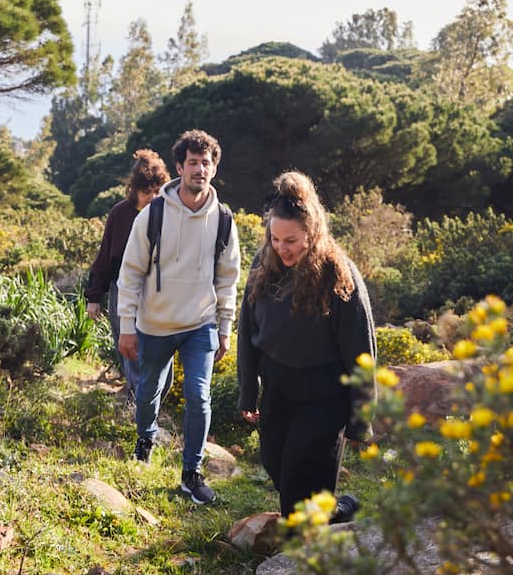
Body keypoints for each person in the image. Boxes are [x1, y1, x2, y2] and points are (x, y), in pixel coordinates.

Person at [237, 171, 376, 523]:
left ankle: (305, 545)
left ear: (312, 235)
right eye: (275, 239)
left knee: (298, 474)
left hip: (324, 394)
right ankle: (335, 511)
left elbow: (361, 349)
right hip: (278, 386)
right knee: (274, 462)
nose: (281, 248)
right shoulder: (263, 264)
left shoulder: (337, 273)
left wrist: (362, 418)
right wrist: (247, 389)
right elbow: (248, 329)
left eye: (291, 240)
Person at [117, 130, 241, 505]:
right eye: (193, 162)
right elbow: (131, 272)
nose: (199, 169)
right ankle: (145, 438)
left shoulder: (223, 218)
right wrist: (127, 326)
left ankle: (192, 472)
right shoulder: (154, 212)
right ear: (179, 167)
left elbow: (228, 277)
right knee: (148, 391)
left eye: (206, 163)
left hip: (199, 323)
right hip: (154, 324)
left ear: (214, 168)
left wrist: (224, 328)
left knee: (198, 395)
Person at [85, 149, 172, 403]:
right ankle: (138, 401)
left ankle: (155, 402)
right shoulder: (120, 214)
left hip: (159, 291)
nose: (152, 198)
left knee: (162, 349)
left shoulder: (169, 213)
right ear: (134, 189)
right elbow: (104, 258)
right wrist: (94, 297)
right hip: (122, 289)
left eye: (157, 192)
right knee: (129, 347)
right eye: (147, 192)